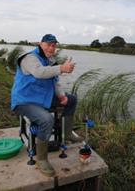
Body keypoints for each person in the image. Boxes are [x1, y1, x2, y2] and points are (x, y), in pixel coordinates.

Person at [11, 34, 82, 177]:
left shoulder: (50, 60)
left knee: (72, 99)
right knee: (46, 119)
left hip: (42, 98)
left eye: (54, 45)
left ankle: (67, 134)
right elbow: (39, 72)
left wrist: (61, 95)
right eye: (48, 44)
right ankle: (42, 158)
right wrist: (62, 68)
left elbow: (54, 81)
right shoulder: (29, 58)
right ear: (40, 44)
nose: (51, 48)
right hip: (24, 101)